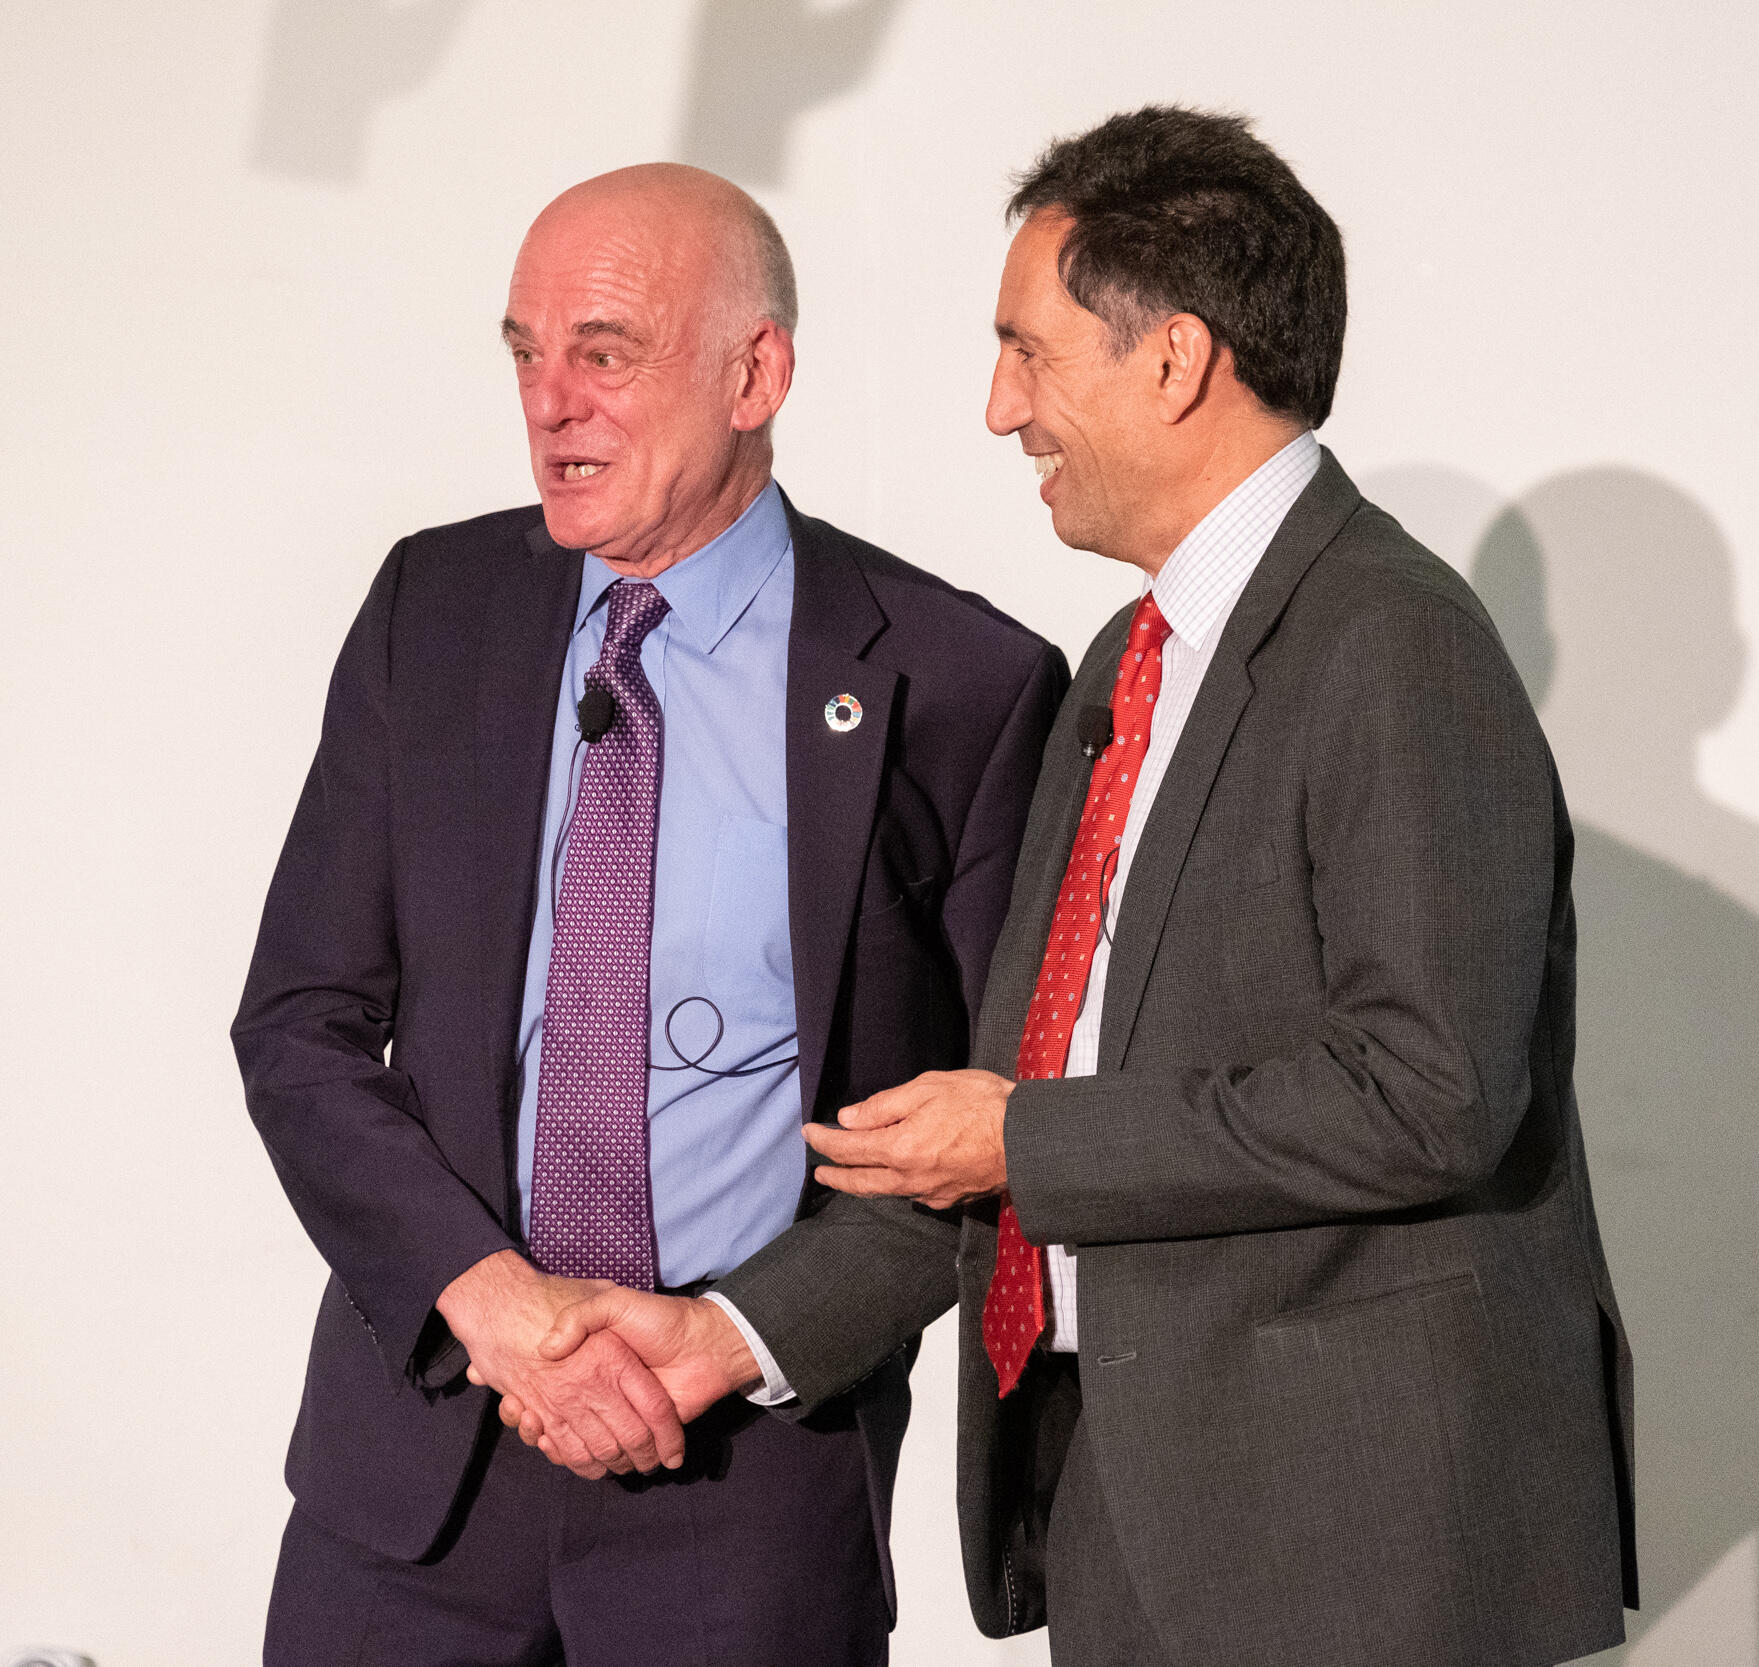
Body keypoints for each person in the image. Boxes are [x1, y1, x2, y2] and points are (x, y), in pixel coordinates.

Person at [529, 108, 1637, 1666]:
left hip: (1353, 1548)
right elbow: (1012, 1109)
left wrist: (1021, 1135)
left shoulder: (1391, 641)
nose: (999, 409)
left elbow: (1433, 1087)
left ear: (1175, 363)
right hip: (1136, 1511)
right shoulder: (1129, 663)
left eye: (1029, 352)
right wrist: (726, 1336)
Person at [232, 162, 1066, 1666]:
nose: (552, 403)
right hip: (423, 1468)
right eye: (525, 355)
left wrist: (730, 1343)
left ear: (757, 373)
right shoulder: (436, 611)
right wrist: (496, 1309)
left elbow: (992, 1133)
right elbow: (301, 1024)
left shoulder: (962, 685)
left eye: (603, 353)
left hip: (747, 1493)